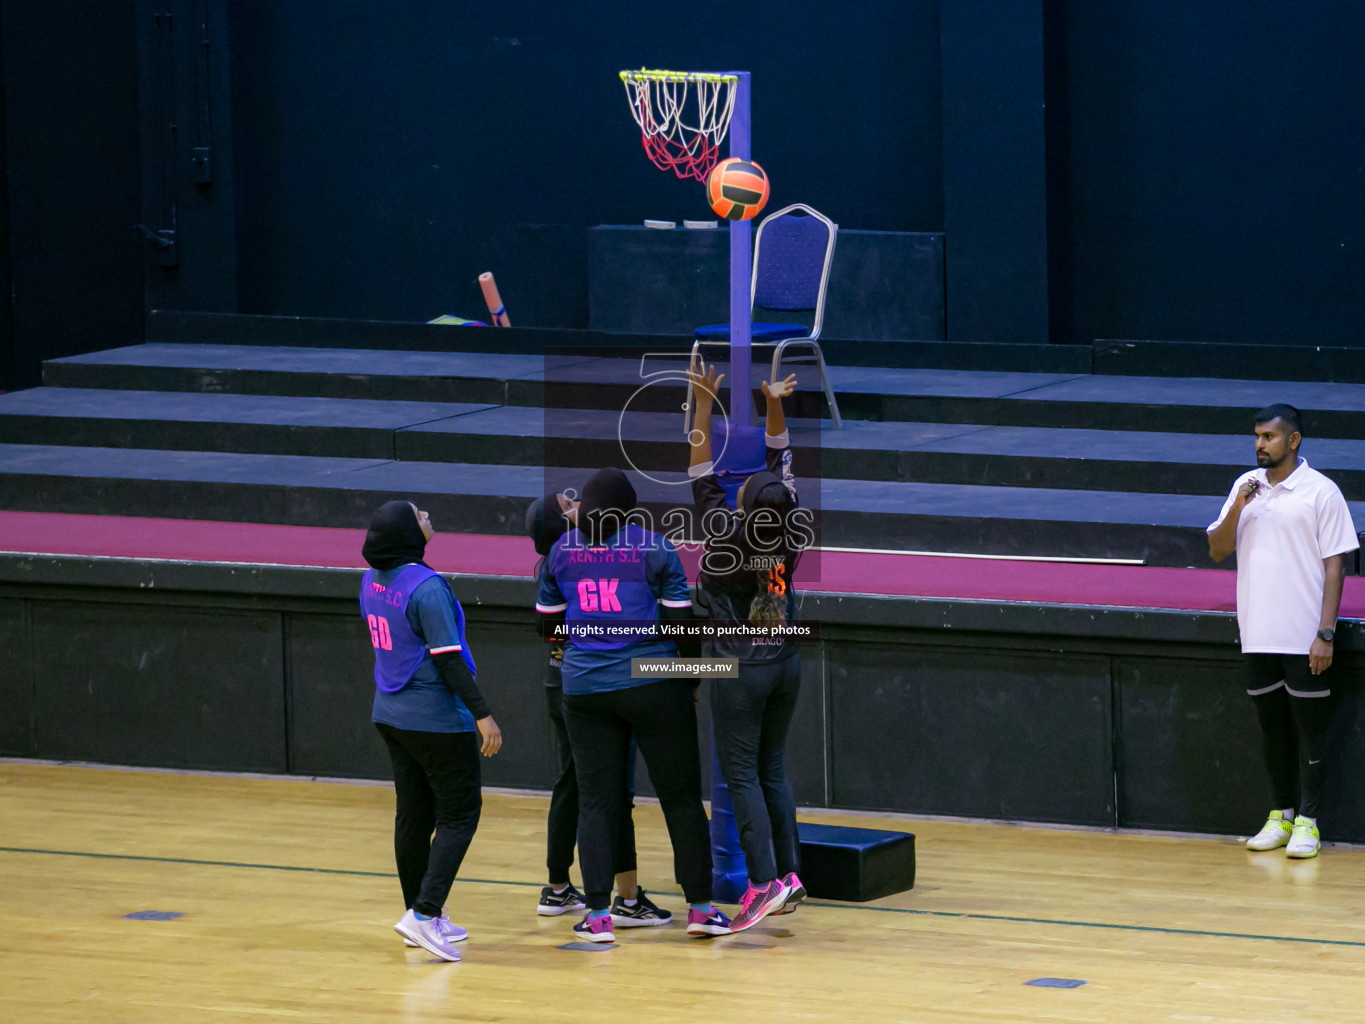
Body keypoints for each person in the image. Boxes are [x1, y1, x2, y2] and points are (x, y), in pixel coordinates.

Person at [536, 467, 731, 943]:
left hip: (583, 690)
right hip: (653, 681)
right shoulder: (655, 547)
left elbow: (547, 628)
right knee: (680, 798)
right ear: (629, 509)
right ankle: (702, 911)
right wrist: (691, 679)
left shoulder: (560, 552)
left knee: (599, 803)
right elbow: (682, 626)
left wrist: (588, 641)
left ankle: (599, 916)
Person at [687, 361, 808, 931]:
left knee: (741, 773)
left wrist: (703, 407)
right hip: (786, 661)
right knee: (773, 770)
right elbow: (781, 462)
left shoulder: (723, 537)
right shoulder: (791, 529)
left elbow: (699, 472)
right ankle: (789, 872)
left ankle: (762, 884)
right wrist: (774, 406)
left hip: (741, 670)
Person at [1207, 404, 1358, 859]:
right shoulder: (1244, 488)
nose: (1259, 444)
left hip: (1304, 635)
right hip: (1257, 632)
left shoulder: (1321, 492)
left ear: (1293, 441)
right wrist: (1239, 505)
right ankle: (1280, 815)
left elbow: (1336, 566)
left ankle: (1308, 823)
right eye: (1256, 436)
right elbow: (1217, 548)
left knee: (1310, 732)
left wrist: (1325, 633)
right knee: (1272, 730)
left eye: (1269, 437)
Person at [360, 499, 503, 961]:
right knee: (460, 815)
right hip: (436, 719)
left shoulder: (369, 581)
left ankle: (421, 917)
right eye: (419, 514)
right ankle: (423, 914)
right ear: (407, 533)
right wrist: (482, 713)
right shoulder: (428, 587)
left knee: (414, 815)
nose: (427, 516)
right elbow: (448, 658)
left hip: (390, 714)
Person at [524, 491, 671, 927]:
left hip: (566, 680)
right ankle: (617, 901)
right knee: (604, 794)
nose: (577, 502)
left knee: (574, 784)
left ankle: (559, 888)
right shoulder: (578, 560)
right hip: (591, 684)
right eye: (567, 502)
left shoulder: (557, 562)